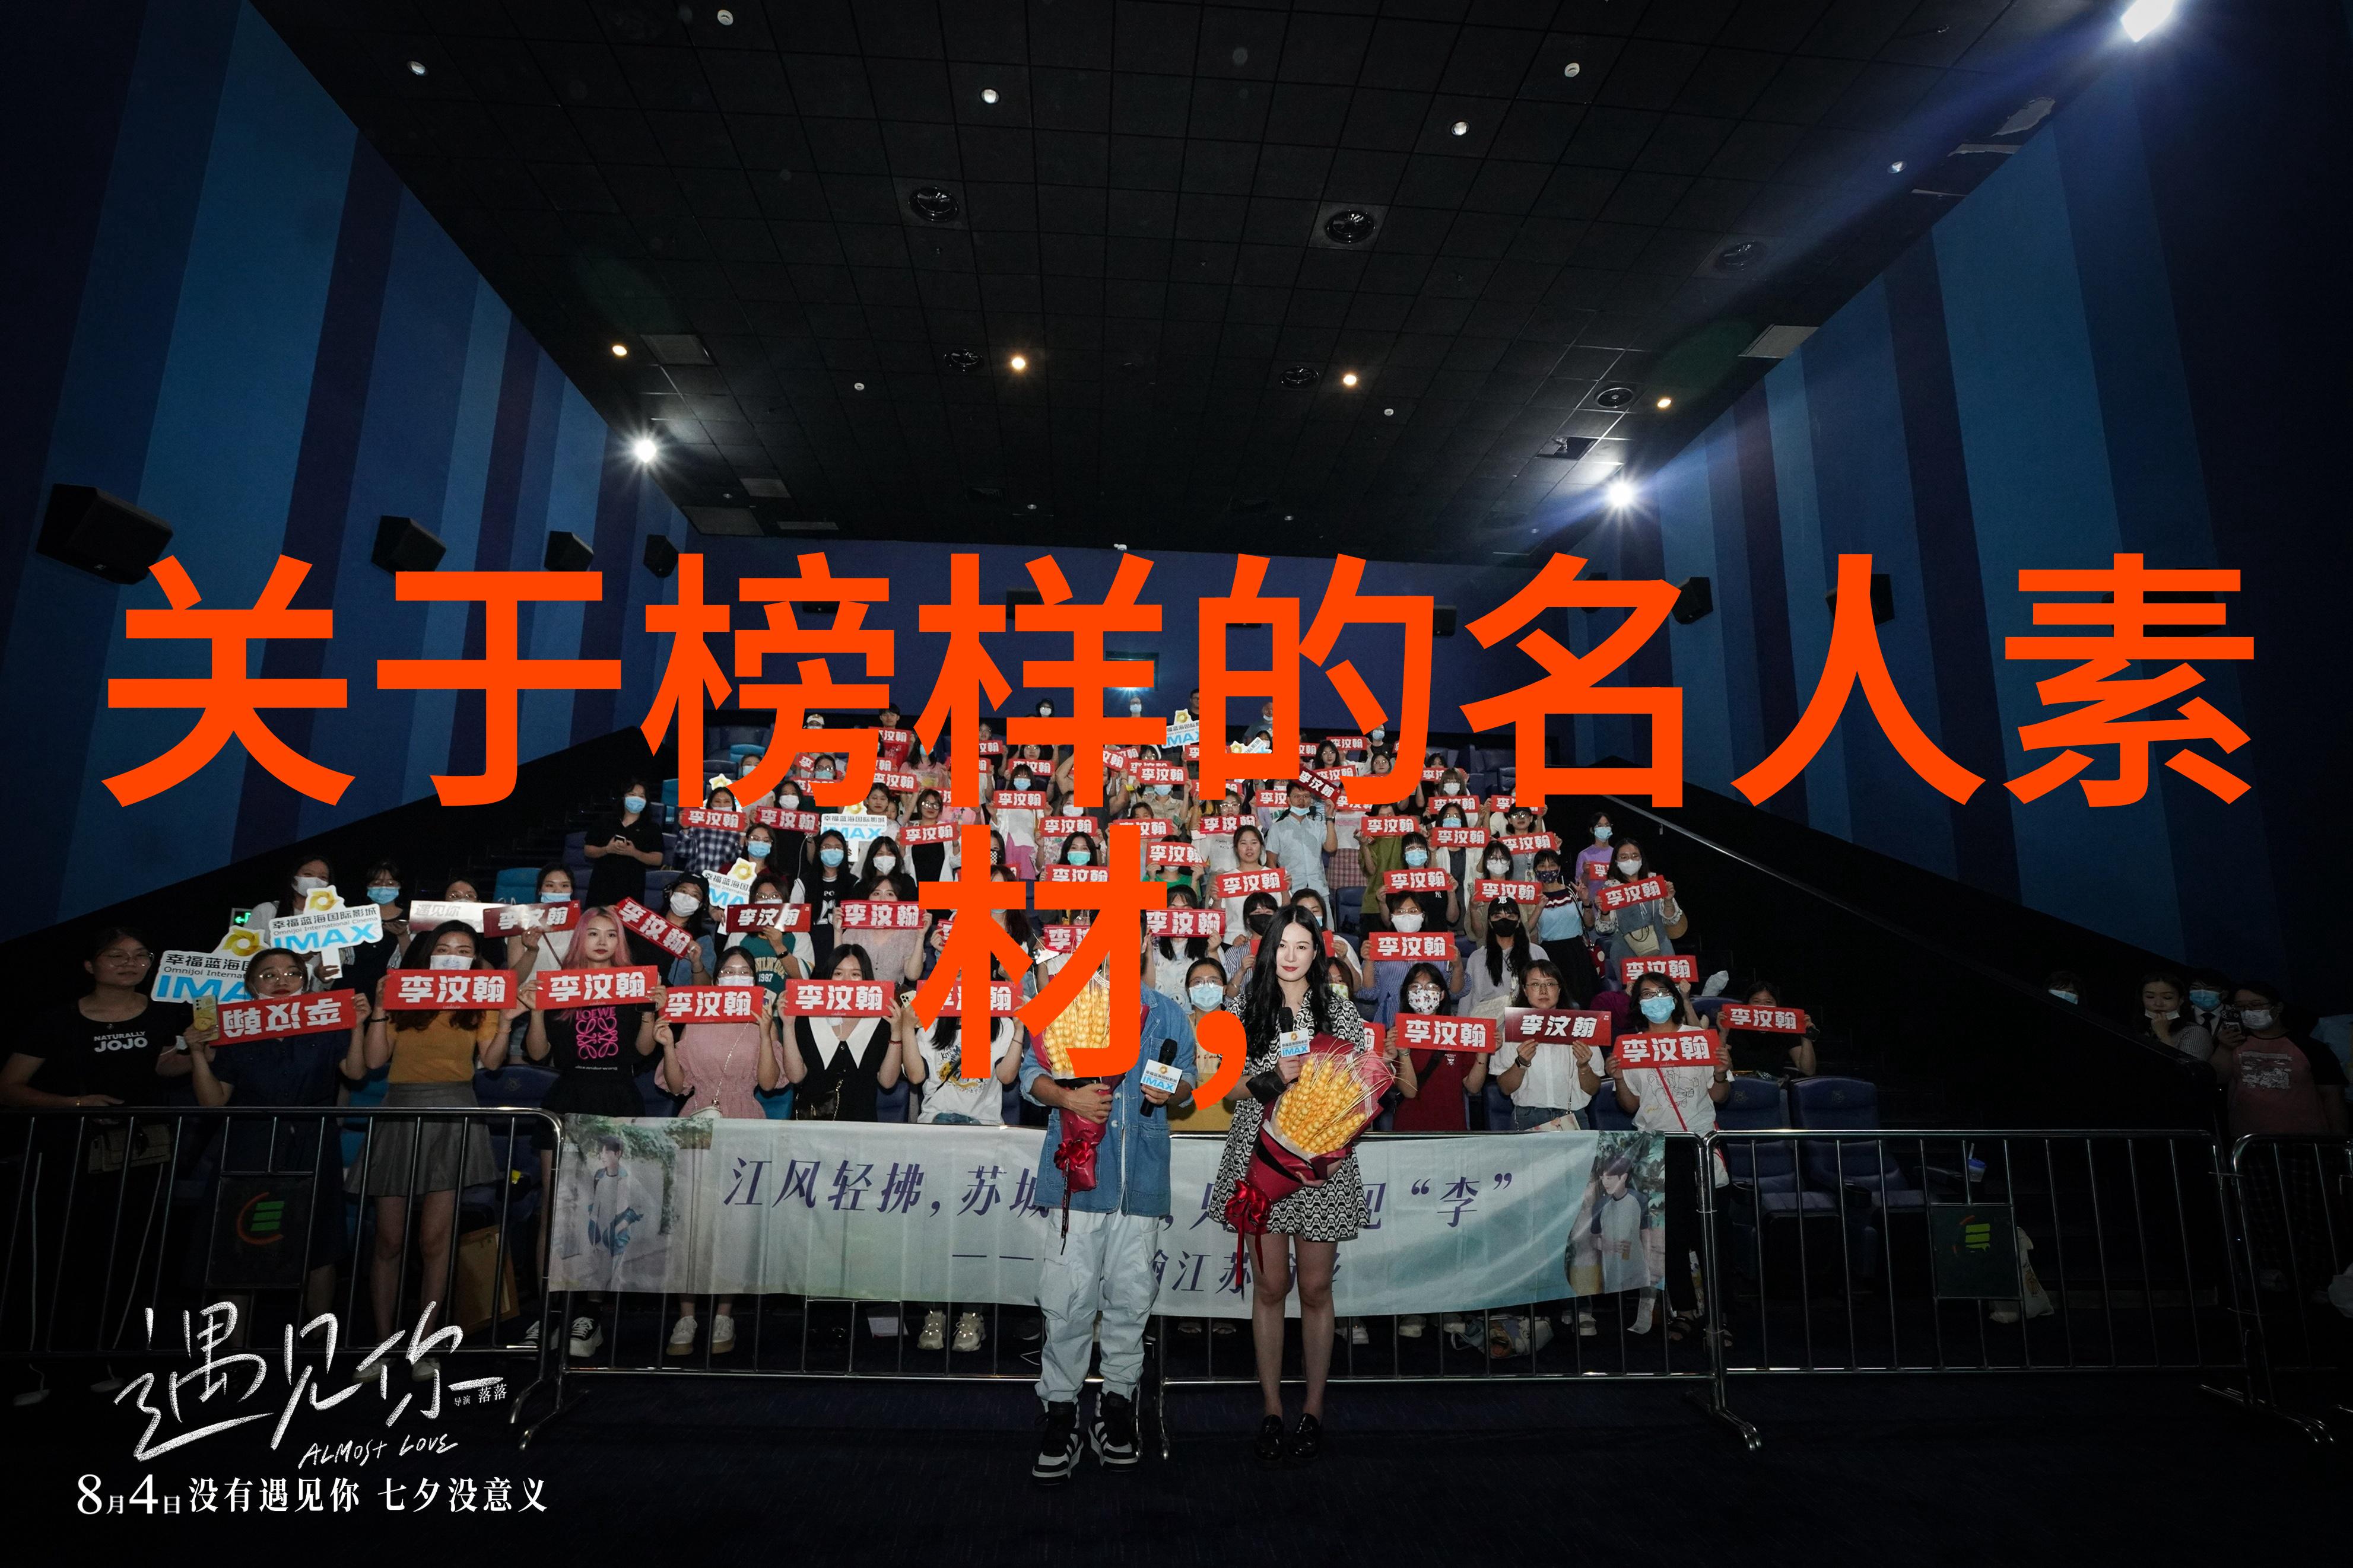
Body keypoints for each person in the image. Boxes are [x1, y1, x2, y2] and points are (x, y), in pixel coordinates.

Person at [1021, 946, 1198, 1484]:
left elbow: (1188, 1082)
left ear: (1140, 943)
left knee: (1130, 1300)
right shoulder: (1067, 1003)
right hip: (1078, 1181)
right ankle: (1060, 1411)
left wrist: (1169, 1089)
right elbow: (1031, 1076)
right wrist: (1069, 1098)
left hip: (1141, 1181)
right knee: (1067, 1300)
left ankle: (1117, 1406)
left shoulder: (1166, 1011)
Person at [1206, 907, 1374, 1466]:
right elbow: (1227, 1088)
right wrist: (1275, 1077)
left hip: (1319, 1158)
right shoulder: (1241, 1006)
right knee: (1270, 1285)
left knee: (1317, 1287)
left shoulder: (1337, 1008)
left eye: (1302, 946)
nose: (1290, 955)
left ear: (1316, 954)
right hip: (1259, 1155)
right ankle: (1272, 1408)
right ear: (1267, 948)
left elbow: (1357, 1085)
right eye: (1282, 944)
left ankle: (1314, 1409)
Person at [1, 928, 201, 1376]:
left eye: (140, 955)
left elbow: (164, 1066)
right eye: (117, 956)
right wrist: (75, 1105)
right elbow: (9, 1087)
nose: (131, 963)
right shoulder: (56, 1019)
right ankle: (33, 1366)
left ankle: (108, 1360)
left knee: (124, 1255)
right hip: (62, 1152)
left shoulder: (165, 1014)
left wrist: (202, 1051)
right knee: (50, 1255)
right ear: (91, 965)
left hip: (139, 1151)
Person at [353, 922, 525, 1360]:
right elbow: (374, 1059)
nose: (453, 955)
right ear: (427, 954)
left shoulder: (482, 999)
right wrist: (379, 1007)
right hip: (399, 1111)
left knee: (435, 1241)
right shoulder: (403, 994)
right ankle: (382, 1344)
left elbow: (491, 1061)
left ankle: (423, 1344)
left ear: (475, 959)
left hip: (453, 1111)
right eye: (444, 947)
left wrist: (506, 1024)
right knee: (389, 1240)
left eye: (464, 950)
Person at [173, 946, 370, 1321]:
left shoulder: (326, 1021)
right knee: (242, 1238)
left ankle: (318, 1338)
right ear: (251, 985)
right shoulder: (235, 1028)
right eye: (269, 975)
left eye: (292, 974)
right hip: (251, 1144)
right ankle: (233, 1345)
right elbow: (214, 1101)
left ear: (305, 981)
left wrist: (357, 1025)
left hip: (313, 1143)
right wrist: (198, 1053)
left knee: (320, 1241)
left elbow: (356, 1072)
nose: (282, 981)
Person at [655, 946, 773, 1357]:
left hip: (745, 1121)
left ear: (754, 979)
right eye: (728, 970)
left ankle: (725, 1313)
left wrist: (767, 1032)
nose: (736, 976)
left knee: (734, 1223)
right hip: (697, 1119)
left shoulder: (761, 1018)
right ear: (717, 977)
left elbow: (770, 1082)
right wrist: (668, 1046)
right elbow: (676, 1086)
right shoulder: (696, 1017)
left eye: (744, 971)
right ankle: (686, 1315)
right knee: (690, 1221)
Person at [1597, 974, 1726, 1340]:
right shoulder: (1631, 1047)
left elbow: (1719, 1096)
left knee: (1710, 1235)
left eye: (1662, 993)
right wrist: (1618, 1078)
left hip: (1699, 1144)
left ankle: (1720, 1317)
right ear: (1638, 1004)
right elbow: (1630, 1105)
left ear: (1674, 997)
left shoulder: (1699, 1040)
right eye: (1647, 995)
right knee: (1667, 1235)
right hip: (1656, 1149)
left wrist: (1720, 1073)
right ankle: (1683, 1310)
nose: (1656, 1000)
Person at [898, 985, 1024, 1355]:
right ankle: (934, 1312)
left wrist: (1019, 1029)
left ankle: (972, 1314)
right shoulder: (930, 1020)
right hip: (935, 1134)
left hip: (983, 1138)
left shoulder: (1000, 1024)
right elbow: (916, 1076)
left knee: (977, 1231)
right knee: (932, 1231)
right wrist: (906, 1027)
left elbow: (1007, 1078)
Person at [2211, 981, 2348, 1138]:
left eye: (2256, 1005)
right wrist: (2225, 1048)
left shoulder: (2311, 1048)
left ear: (2278, 1007)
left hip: (2305, 1138)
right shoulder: (2233, 1043)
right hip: (2249, 1139)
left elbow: (2332, 1097)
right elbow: (2218, 1078)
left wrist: (2340, 1139)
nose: (2248, 1012)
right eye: (2240, 1007)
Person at [779, 946, 901, 1121]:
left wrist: (896, 1032)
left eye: (855, 974)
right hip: (811, 1125)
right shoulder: (808, 1016)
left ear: (866, 979)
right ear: (829, 977)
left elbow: (888, 1082)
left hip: (861, 1124)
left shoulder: (881, 1021)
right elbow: (795, 1076)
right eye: (838, 973)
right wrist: (788, 1025)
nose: (846, 981)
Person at [1490, 960, 1599, 1130]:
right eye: (1535, 984)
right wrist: (1521, 1063)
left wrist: (1584, 1067)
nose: (1543, 991)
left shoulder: (1581, 1027)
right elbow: (1505, 1088)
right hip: (1528, 1116)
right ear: (1525, 990)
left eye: (1550, 984)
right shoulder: (1511, 1028)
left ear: (1559, 989)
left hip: (1572, 1116)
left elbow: (1593, 1089)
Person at [1387, 962, 1487, 1134]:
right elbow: (1409, 1092)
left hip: (1452, 1129)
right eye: (1416, 987)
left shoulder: (1458, 1032)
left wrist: (1483, 1051)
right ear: (1407, 994)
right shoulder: (1395, 1034)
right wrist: (1403, 1053)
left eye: (1431, 987)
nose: (1423, 993)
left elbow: (1473, 1087)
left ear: (1441, 995)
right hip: (1410, 1129)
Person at [1590, 838, 1686, 972]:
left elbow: (1672, 920)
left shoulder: (1655, 882)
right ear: (1616, 862)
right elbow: (1605, 929)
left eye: (1635, 856)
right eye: (1624, 857)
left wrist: (1668, 900)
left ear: (1642, 859)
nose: (1630, 861)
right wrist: (1605, 912)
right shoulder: (1610, 889)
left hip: (1661, 949)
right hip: (1627, 955)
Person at [583, 778, 667, 909]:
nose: (637, 799)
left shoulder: (652, 828)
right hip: (601, 884)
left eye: (641, 796)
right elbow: (588, 850)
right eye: (632, 794)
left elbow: (658, 859)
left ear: (646, 801)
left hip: (632, 887)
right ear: (624, 797)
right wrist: (607, 850)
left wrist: (634, 853)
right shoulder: (605, 821)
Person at [1457, 897, 1545, 1019]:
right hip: (1488, 1021)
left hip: (1526, 1020)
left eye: (1510, 916)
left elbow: (1549, 990)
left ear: (1518, 921)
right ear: (1490, 923)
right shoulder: (1477, 958)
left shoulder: (1537, 953)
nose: (1504, 920)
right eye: (1497, 916)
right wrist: (1461, 1024)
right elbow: (1467, 998)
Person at [1722, 979, 1819, 1077]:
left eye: (1769, 1002)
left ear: (1777, 1006)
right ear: (1747, 1004)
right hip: (1740, 1083)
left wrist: (1806, 1037)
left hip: (1774, 1084)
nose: (1763, 1007)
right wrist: (1723, 1034)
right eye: (1756, 1002)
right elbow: (1721, 1067)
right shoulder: (1735, 1026)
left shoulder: (1786, 1027)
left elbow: (1808, 1071)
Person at [1262, 781, 1337, 904]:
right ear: (1288, 800)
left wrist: (1329, 817)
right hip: (1292, 891)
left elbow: (1331, 848)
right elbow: (1271, 862)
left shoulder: (1318, 826)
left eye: (1306, 796)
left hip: (1319, 890)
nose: (1302, 800)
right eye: (1297, 796)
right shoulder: (1278, 828)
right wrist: (1282, 889)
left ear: (1311, 800)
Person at [2137, 971, 2214, 1065]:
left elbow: (2187, 1071)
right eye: (2150, 997)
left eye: (2167, 998)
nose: (2158, 1004)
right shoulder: (2143, 1027)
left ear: (2181, 1000)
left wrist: (2163, 1035)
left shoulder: (2196, 1032)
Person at [678, 785, 748, 878]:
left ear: (733, 805)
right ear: (710, 804)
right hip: (695, 877)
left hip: (722, 881)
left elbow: (739, 860)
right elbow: (683, 852)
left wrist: (743, 834)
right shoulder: (698, 824)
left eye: (727, 802)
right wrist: (686, 829)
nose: (722, 806)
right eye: (717, 801)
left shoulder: (738, 830)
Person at [1573, 811, 1617, 888]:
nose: (1604, 828)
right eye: (1599, 826)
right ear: (1592, 830)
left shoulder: (1617, 853)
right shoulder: (1584, 855)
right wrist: (1586, 873)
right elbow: (1579, 885)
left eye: (1607, 825)